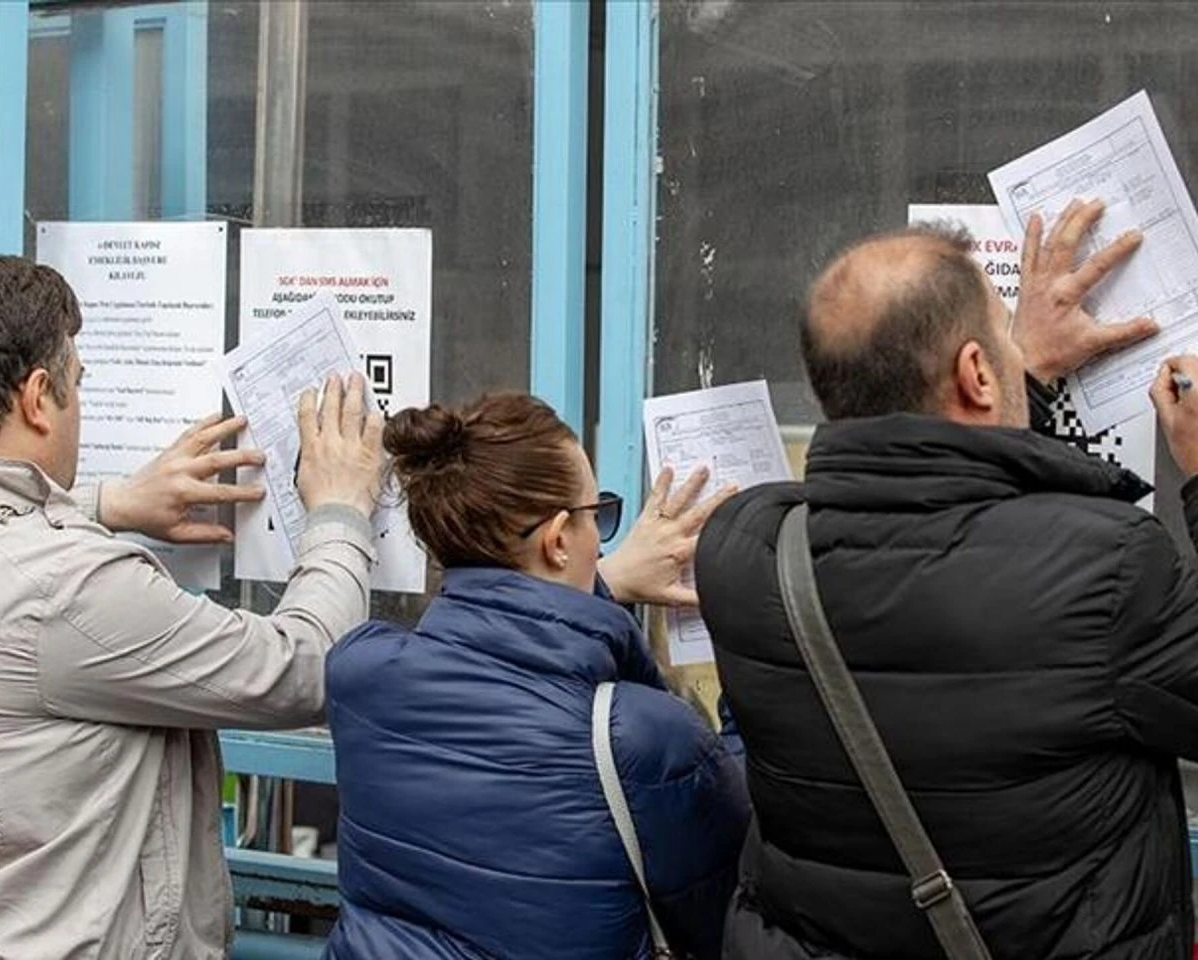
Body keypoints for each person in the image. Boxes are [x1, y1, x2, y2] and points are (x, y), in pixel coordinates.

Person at [694, 198, 1198, 960]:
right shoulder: (1115, 566)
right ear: (974, 373)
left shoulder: (744, 551)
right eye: (1003, 333)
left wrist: (1012, 370)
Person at [0, 255, 385, 960]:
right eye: (78, 383)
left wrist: (109, 502)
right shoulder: (70, 587)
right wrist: (342, 511)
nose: (81, 399)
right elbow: (307, 669)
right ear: (38, 398)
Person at [322, 392, 751, 960]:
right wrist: (752, 659)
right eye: (598, 516)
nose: (602, 537)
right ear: (556, 539)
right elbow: (733, 904)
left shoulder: (360, 672)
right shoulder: (643, 738)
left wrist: (601, 592)